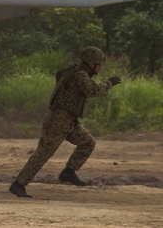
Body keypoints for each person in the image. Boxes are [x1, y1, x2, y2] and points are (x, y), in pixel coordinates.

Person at [9, 47, 121, 198]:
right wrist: (109, 83)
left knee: (88, 143)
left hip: (68, 121)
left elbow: (59, 75)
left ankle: (69, 172)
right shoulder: (80, 75)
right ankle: (18, 184)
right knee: (43, 154)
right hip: (58, 121)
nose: (100, 67)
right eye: (99, 64)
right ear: (91, 63)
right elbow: (92, 90)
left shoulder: (72, 71)